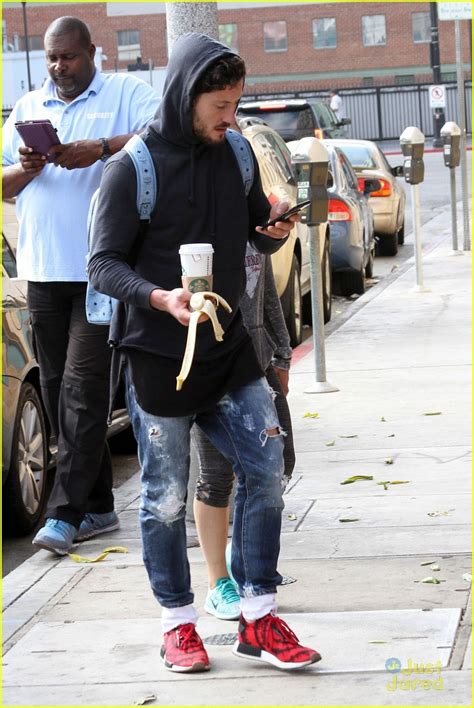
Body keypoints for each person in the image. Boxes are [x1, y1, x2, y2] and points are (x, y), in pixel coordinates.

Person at [88, 33, 321, 674]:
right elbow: (103, 265)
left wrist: (274, 231)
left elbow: (253, 234)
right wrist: (161, 299)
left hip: (229, 348)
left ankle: (258, 615)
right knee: (164, 496)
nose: (232, 117)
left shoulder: (238, 152)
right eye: (221, 105)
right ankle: (177, 624)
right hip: (158, 355)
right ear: (187, 96)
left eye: (236, 103)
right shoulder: (132, 166)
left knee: (266, 468)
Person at [1, 16, 160, 555]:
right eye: (51, 58)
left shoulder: (123, 92)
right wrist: (29, 166)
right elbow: (3, 186)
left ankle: (63, 515)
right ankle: (97, 508)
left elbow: (160, 136)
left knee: (82, 390)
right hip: (41, 274)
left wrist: (101, 146)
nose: (58, 67)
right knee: (54, 393)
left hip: (99, 273)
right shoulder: (27, 107)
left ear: (92, 51)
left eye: (68, 57)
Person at [193, 249, 295, 621]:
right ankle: (219, 583)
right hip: (212, 366)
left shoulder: (249, 219)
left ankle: (248, 569)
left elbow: (266, 293)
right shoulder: (202, 222)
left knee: (278, 464)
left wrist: (281, 355)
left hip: (258, 360)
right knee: (217, 476)